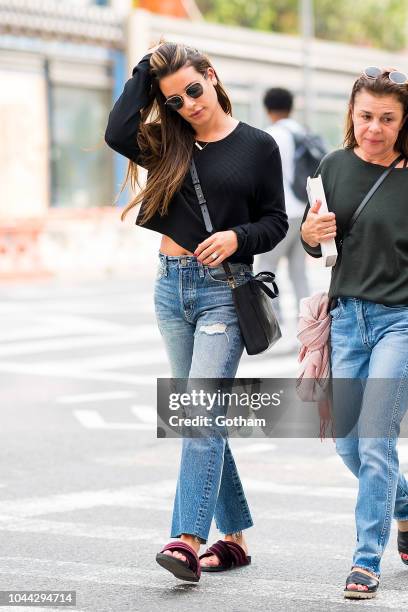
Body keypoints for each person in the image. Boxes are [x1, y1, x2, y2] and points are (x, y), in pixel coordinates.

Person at [105, 41, 287, 582]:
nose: (188, 104)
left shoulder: (258, 146)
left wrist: (237, 236)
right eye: (175, 99)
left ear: (212, 75)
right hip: (170, 288)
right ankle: (233, 541)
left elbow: (276, 221)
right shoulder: (169, 143)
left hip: (222, 293)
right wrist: (147, 67)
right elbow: (117, 132)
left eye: (193, 89)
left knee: (200, 411)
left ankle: (187, 539)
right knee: (197, 414)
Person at [301, 66, 408, 599]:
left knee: (375, 440)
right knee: (347, 444)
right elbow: (312, 237)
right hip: (347, 321)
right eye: (366, 116)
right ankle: (406, 507)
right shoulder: (334, 166)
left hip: (400, 323)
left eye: (388, 118)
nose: (375, 128)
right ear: (352, 114)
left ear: (403, 121)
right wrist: (309, 233)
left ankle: (366, 561)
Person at [257, 87, 310, 323]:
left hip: (280, 214)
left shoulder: (270, 135)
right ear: (291, 107)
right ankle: (308, 322)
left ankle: (273, 321)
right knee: (298, 271)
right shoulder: (303, 132)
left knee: (266, 267)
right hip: (305, 212)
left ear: (268, 109)